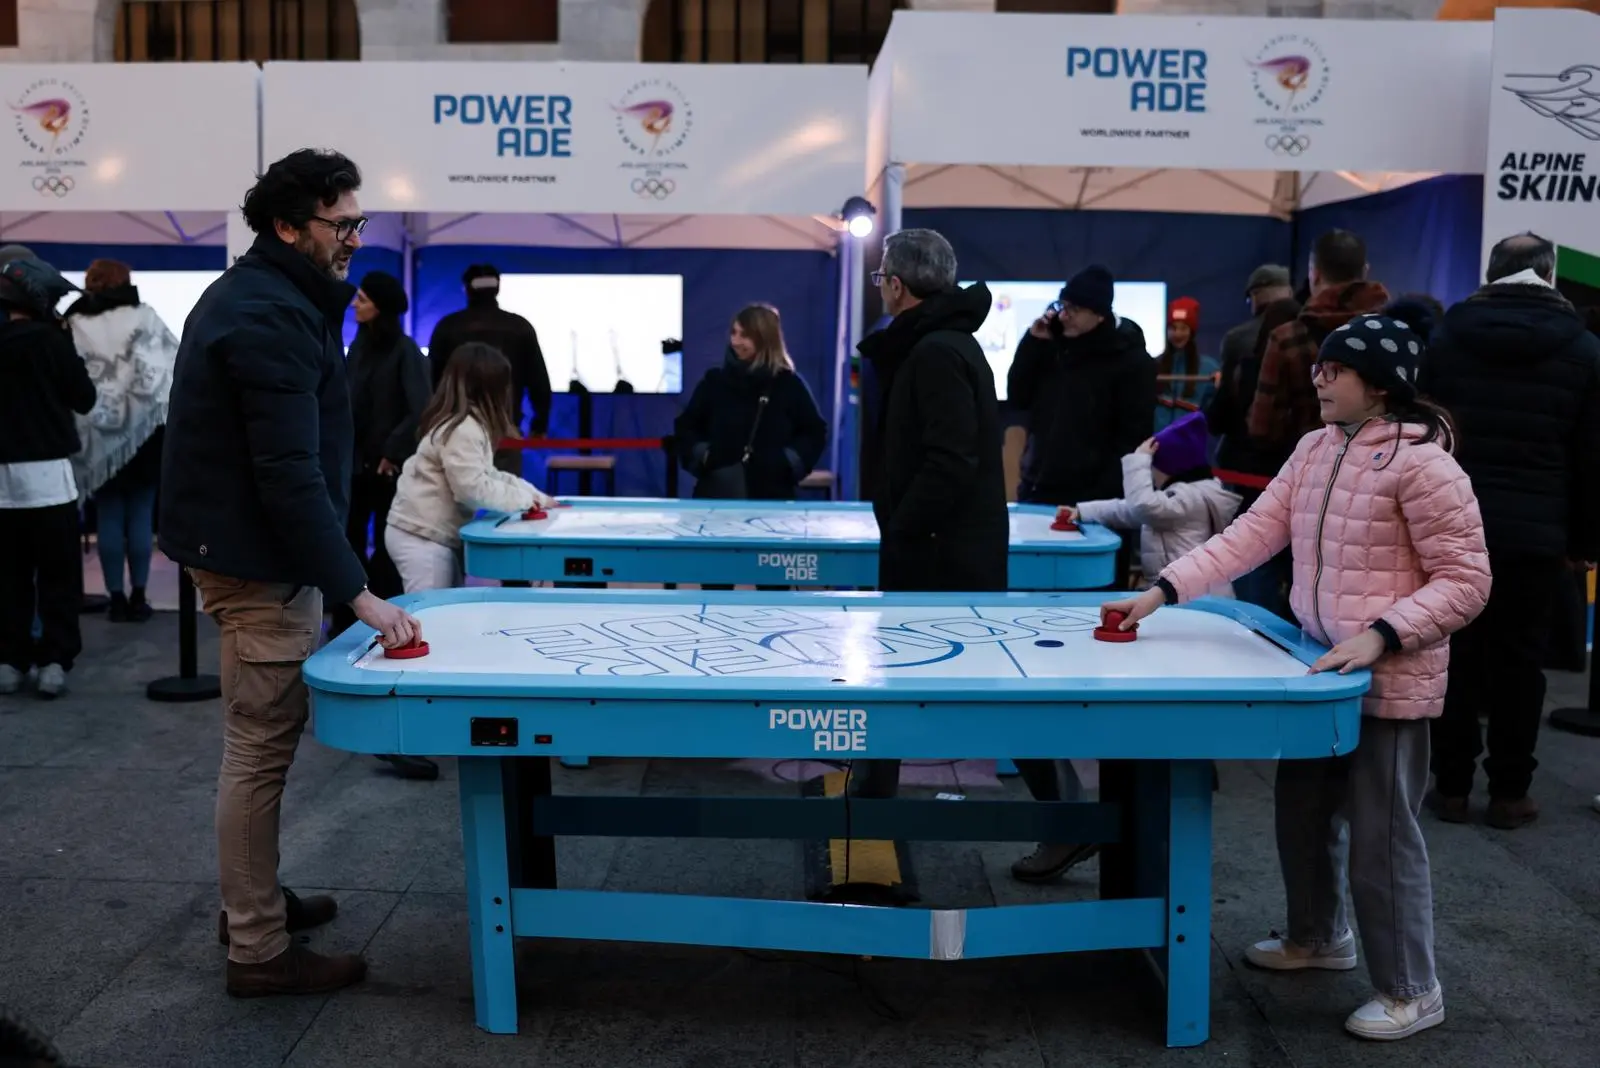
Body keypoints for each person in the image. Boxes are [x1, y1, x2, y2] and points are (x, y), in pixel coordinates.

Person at [1102, 312, 1492, 1041]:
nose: (1318, 379)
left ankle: (1412, 989)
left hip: (1389, 685)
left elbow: (1467, 581)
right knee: (1303, 814)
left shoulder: (1425, 465)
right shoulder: (1316, 447)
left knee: (1381, 838)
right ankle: (1317, 936)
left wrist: (1382, 635)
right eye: (1320, 366)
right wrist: (1162, 591)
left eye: (1334, 370)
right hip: (1317, 673)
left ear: (1380, 385)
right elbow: (1253, 533)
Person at [160, 148, 421, 998]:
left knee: (260, 745)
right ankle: (258, 949)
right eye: (340, 224)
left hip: (254, 552)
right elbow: (286, 474)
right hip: (257, 563)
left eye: (358, 222)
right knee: (259, 748)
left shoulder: (270, 296)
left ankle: (254, 902)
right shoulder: (269, 312)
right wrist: (359, 593)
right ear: (286, 225)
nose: (354, 239)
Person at [1419, 232, 1600, 830]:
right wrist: (1584, 542)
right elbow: (1591, 455)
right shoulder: (1585, 349)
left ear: (1490, 272)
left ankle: (1449, 787)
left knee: (1455, 653)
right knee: (1521, 663)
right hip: (1537, 534)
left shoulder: (1446, 337)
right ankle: (1509, 793)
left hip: (1452, 522)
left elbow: (1424, 435)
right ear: (1548, 274)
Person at [381, 341, 556, 781]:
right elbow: (473, 488)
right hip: (420, 536)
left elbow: (488, 476)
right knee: (419, 637)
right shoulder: (463, 428)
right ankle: (396, 737)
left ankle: (413, 731)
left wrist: (533, 495)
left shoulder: (464, 424)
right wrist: (527, 500)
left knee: (433, 631)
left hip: (428, 535)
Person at [1007, 264, 1157, 588]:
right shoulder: (1051, 346)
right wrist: (1032, 343)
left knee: (1093, 592)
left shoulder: (1131, 362)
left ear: (1099, 315)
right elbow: (1018, 396)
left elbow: (1132, 438)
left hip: (1095, 503)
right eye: (1063, 306)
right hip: (1039, 490)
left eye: (1075, 309)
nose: (1065, 316)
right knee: (1031, 589)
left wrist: (1097, 500)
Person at [0, 257, 96, 699]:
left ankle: (10, 660)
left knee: (9, 575)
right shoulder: (52, 343)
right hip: (48, 477)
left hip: (2, 479)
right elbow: (84, 398)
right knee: (58, 575)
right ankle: (54, 661)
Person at [64, 259, 179, 624]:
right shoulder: (144, 317)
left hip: (97, 433)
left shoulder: (74, 322)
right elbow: (169, 370)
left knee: (109, 514)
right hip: (144, 434)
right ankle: (139, 596)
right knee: (141, 513)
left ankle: (115, 598)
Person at [329, 270, 431, 638]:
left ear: (381, 307)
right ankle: (347, 621)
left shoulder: (405, 351)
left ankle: (387, 617)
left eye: (363, 299)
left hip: (387, 470)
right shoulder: (357, 348)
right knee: (349, 541)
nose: (355, 305)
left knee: (387, 545)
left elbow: (420, 409)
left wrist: (392, 451)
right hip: (354, 467)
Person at [1207, 286, 1303, 621]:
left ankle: (1257, 629)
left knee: (1254, 561)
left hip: (1251, 476)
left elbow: (1218, 419)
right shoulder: (1315, 368)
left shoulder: (1246, 364)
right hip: (1295, 479)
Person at [1066, 411, 1240, 594]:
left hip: (1192, 596)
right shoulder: (1182, 498)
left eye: (1152, 466)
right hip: (1186, 591)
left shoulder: (1188, 499)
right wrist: (1083, 511)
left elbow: (1141, 506)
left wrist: (1138, 460)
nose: (1150, 473)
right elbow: (1129, 511)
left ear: (1169, 469)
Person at [1248, 230, 1391, 451]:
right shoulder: (1394, 334)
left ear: (1314, 274)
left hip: (1307, 463)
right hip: (1381, 463)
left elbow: (1263, 427)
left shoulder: (1286, 338)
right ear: (1365, 271)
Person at [674, 303, 827, 502]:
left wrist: (785, 462)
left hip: (772, 498)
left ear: (764, 338)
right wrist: (705, 455)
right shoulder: (714, 382)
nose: (735, 341)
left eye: (744, 335)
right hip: (716, 496)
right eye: (733, 333)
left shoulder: (788, 384)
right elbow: (686, 427)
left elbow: (814, 432)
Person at [426, 263, 552, 477]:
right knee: (504, 492)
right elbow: (538, 380)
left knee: (459, 492)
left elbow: (432, 381)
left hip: (455, 430)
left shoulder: (447, 327)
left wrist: (433, 423)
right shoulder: (520, 327)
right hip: (505, 429)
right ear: (497, 288)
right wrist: (539, 425)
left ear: (466, 289)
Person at [1154, 297, 1217, 430]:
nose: (1177, 334)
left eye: (1183, 328)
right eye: (1173, 328)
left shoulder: (1209, 369)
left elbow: (1217, 412)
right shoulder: (1154, 365)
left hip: (1190, 440)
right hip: (1157, 440)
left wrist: (1221, 385)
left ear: (1192, 332)